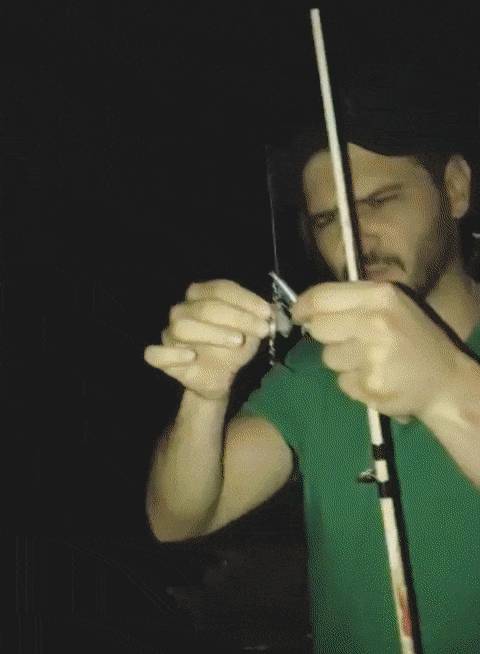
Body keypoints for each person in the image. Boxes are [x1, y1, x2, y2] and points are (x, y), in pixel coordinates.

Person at [144, 66, 480, 654]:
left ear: (453, 188)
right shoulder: (317, 366)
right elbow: (177, 519)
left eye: (379, 201)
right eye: (328, 219)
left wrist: (446, 385)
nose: (354, 239)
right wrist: (203, 396)